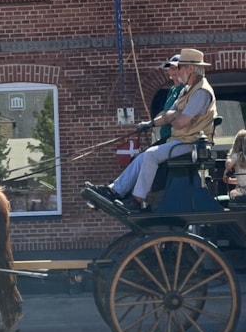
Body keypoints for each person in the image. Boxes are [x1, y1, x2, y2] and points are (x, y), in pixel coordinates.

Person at [89, 48, 218, 211]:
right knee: (143, 156)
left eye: (180, 68)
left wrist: (174, 115)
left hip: (192, 144)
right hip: (180, 140)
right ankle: (114, 190)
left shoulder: (201, 92)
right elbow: (167, 115)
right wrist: (150, 124)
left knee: (151, 155)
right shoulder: (187, 89)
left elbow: (180, 123)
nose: (177, 72)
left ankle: (136, 200)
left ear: (190, 69)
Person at [151, 54, 186, 146]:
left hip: (176, 138)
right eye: (171, 68)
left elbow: (173, 115)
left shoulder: (185, 89)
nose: (173, 71)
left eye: (177, 68)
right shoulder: (172, 89)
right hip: (165, 137)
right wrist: (149, 123)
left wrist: (152, 124)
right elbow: (165, 112)